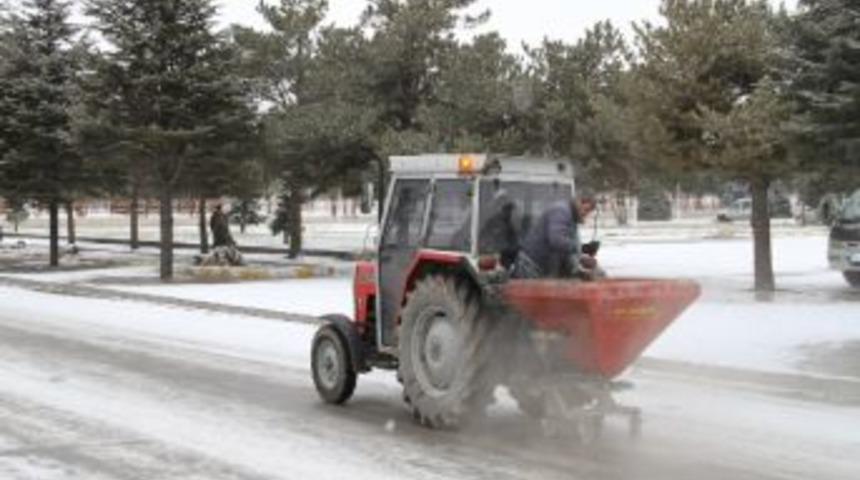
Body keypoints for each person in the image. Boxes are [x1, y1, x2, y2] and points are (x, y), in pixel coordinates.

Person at [513, 194, 597, 279]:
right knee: (531, 287)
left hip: (544, 267)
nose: (585, 214)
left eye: (588, 212)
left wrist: (580, 258)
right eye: (586, 210)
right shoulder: (561, 212)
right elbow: (557, 240)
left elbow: (567, 248)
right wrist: (577, 248)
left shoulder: (571, 218)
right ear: (579, 202)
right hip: (531, 265)